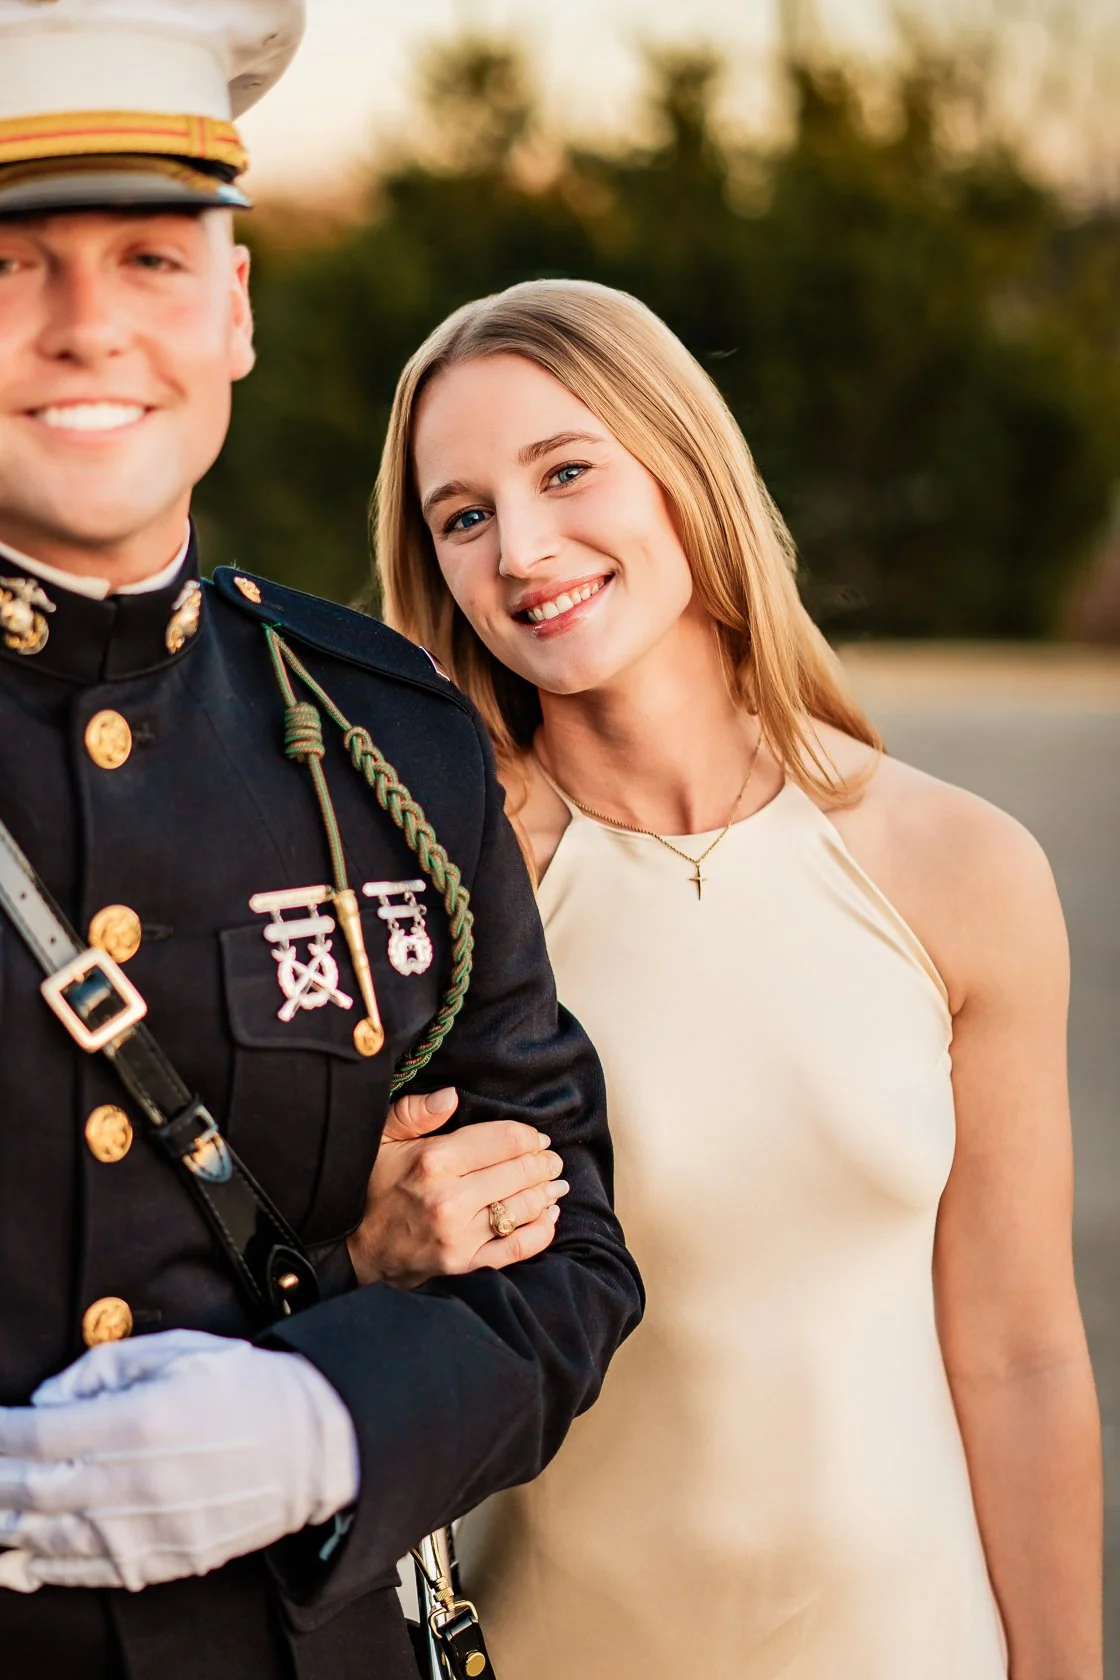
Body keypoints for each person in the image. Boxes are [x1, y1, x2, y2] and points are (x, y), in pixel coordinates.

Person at [0, 12, 642, 1678]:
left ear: (236, 310)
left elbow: (566, 1248)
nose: (87, 329)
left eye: (152, 254)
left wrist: (328, 1419)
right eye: (11, 263)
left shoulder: (388, 736)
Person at [350, 278, 1103, 1679]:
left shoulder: (960, 867)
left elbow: (1021, 1356)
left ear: (683, 465)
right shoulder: (434, 904)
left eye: (566, 469)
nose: (522, 548)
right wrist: (364, 1245)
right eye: (463, 516)